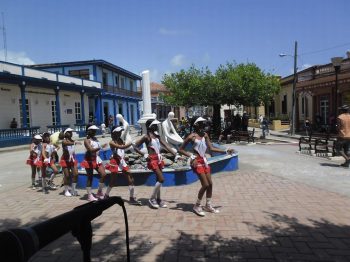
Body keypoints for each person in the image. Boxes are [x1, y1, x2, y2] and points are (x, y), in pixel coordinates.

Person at [178, 116, 234, 217]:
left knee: (210, 184)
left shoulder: (205, 135)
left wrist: (225, 151)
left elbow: (211, 148)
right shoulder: (192, 136)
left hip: (204, 161)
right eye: (201, 123)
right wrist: (191, 156)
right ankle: (197, 205)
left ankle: (208, 205)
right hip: (196, 161)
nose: (204, 125)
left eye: (204, 123)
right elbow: (180, 149)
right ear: (196, 125)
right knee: (205, 185)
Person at [133, 119, 176, 209]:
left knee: (158, 180)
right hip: (152, 160)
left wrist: (175, 154)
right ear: (150, 126)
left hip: (159, 159)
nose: (156, 126)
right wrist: (144, 154)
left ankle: (159, 199)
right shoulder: (146, 137)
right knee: (161, 179)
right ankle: (152, 198)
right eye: (154, 125)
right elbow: (135, 146)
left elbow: (166, 145)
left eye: (156, 125)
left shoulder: (157, 136)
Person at [105, 126, 142, 204]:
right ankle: (106, 195)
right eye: (118, 132)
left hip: (122, 161)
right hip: (115, 162)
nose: (120, 133)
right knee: (113, 181)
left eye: (120, 131)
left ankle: (131, 198)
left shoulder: (120, 139)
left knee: (131, 179)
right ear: (114, 133)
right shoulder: (111, 142)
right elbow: (121, 147)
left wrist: (141, 152)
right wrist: (131, 143)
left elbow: (125, 149)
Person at [80, 124, 108, 201]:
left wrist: (102, 146)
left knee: (104, 175)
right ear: (89, 131)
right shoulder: (86, 140)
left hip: (97, 159)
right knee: (90, 178)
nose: (95, 132)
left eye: (95, 130)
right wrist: (101, 147)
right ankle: (89, 195)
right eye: (93, 131)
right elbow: (91, 149)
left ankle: (99, 192)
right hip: (89, 160)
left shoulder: (95, 139)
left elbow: (96, 148)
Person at [60, 128, 81, 197]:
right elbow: (67, 143)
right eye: (69, 132)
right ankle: (66, 190)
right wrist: (75, 142)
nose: (71, 133)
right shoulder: (64, 141)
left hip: (72, 159)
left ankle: (73, 189)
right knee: (67, 175)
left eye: (71, 132)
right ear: (66, 133)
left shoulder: (72, 140)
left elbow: (72, 149)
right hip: (65, 160)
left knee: (76, 174)